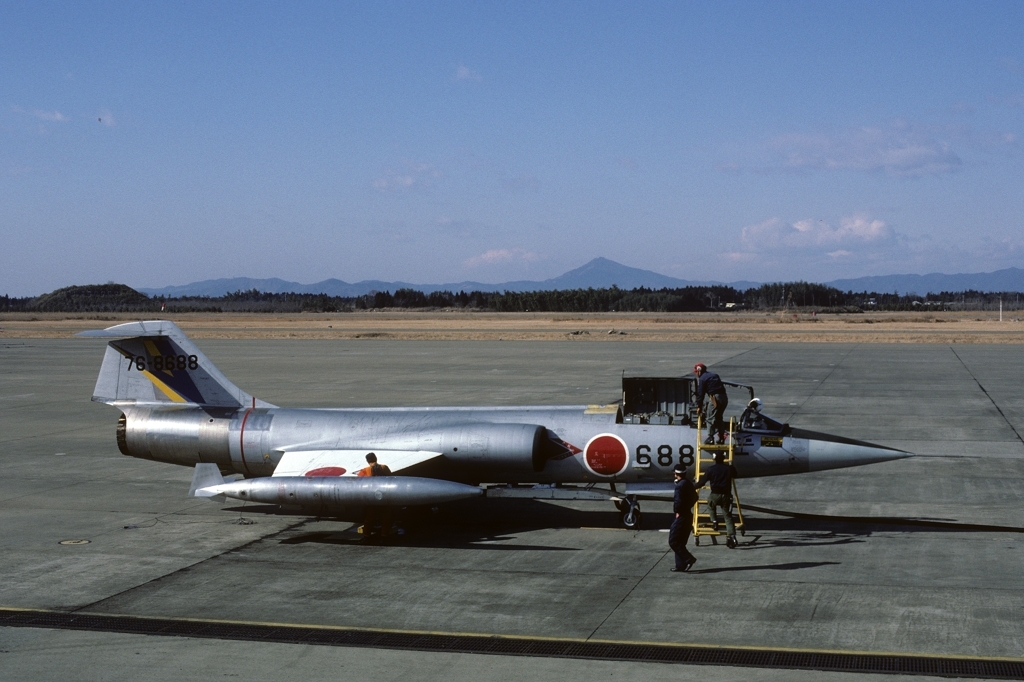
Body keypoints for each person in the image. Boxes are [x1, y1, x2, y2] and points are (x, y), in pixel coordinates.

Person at [696, 451, 739, 548]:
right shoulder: (728, 469)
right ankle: (731, 535)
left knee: (710, 505)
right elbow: (735, 475)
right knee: (727, 516)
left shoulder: (710, 469)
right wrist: (731, 466)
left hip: (714, 495)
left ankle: (714, 521)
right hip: (726, 496)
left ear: (714, 458)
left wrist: (693, 486)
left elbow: (702, 483)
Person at [669, 465, 698, 572]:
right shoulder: (688, 483)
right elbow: (695, 497)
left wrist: (678, 512)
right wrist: (687, 506)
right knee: (680, 542)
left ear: (677, 474)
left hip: (681, 516)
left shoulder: (680, 486)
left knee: (673, 541)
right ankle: (680, 566)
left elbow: (678, 501)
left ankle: (689, 559)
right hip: (688, 515)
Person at [357, 453, 394, 539]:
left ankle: (366, 536)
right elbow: (391, 479)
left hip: (372, 498)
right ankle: (384, 536)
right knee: (386, 517)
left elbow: (358, 483)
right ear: (376, 458)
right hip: (384, 496)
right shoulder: (384, 467)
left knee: (370, 518)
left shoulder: (365, 470)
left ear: (367, 461)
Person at [693, 363, 729, 444]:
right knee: (719, 418)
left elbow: (700, 393)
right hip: (724, 398)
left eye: (696, 372)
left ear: (699, 371)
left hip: (715, 398)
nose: (696, 374)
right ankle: (721, 438)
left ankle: (710, 438)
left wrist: (699, 406)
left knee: (709, 417)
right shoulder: (715, 375)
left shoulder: (702, 379)